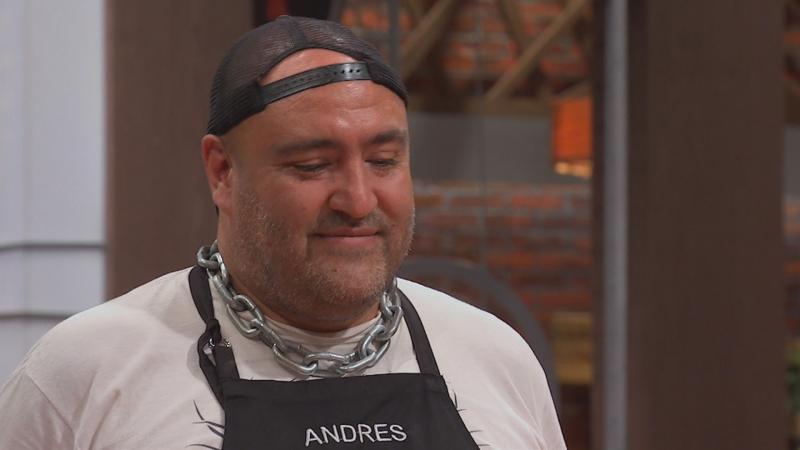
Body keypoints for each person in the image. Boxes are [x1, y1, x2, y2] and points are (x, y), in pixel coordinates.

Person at [0, 16, 566, 450]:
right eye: (312, 166)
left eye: (384, 161)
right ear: (222, 171)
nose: (358, 201)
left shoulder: (495, 358)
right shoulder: (86, 374)